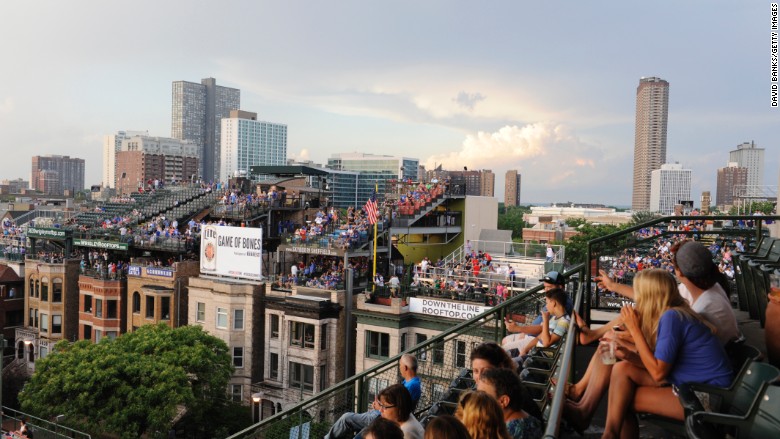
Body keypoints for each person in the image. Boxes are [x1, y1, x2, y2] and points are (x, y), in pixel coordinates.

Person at [602, 269, 733, 439]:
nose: (637, 300)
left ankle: (609, 434)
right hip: (691, 385)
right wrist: (628, 355)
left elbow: (658, 373)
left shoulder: (672, 318)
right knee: (622, 369)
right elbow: (660, 364)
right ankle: (609, 434)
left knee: (622, 402)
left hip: (709, 396)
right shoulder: (674, 312)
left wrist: (634, 329)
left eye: (639, 294)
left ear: (649, 296)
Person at [324, 355, 421, 439]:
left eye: (400, 365)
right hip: (383, 415)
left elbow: (399, 403)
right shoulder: (410, 383)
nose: (399, 368)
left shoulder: (407, 432)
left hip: (379, 416)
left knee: (346, 418)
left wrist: (380, 407)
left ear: (405, 367)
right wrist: (382, 405)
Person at [502, 288, 570, 357]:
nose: (546, 306)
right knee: (503, 353)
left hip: (541, 357)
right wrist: (525, 349)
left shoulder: (564, 322)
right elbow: (538, 338)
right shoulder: (554, 318)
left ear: (553, 303)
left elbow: (546, 343)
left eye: (547, 303)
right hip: (535, 352)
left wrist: (546, 320)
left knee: (503, 355)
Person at [477, 368, 543, 439]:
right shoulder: (524, 419)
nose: (476, 400)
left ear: (503, 401)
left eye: (483, 395)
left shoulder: (509, 433)